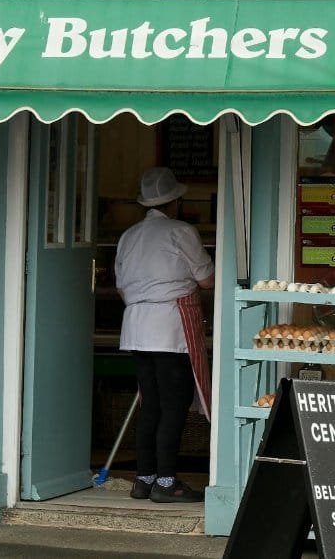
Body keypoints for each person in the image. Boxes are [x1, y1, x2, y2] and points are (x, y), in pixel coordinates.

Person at [114, 167, 215, 504]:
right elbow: (207, 279)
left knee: (151, 404)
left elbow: (120, 285)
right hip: (170, 326)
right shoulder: (181, 231)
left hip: (136, 326)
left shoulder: (129, 235)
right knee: (174, 405)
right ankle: (168, 481)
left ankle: (144, 478)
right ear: (175, 201)